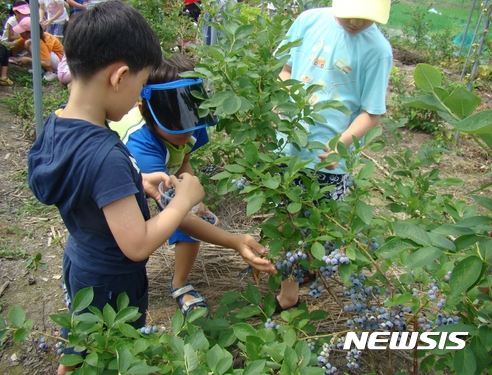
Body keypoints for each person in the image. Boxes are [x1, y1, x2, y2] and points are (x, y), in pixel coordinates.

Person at [26, 2, 274, 374]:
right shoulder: (105, 153)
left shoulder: (58, 123)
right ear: (119, 76)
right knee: (113, 353)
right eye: (141, 86)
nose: (138, 98)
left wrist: (136, 182)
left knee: (85, 337)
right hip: (112, 282)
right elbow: (138, 244)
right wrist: (184, 200)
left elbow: (83, 182)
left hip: (80, 262)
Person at [112, 54, 277, 316]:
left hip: (159, 174)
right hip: (124, 179)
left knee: (191, 211)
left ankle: (179, 282)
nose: (187, 133)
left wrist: (195, 201)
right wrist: (233, 241)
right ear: (146, 112)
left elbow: (183, 159)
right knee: (153, 224)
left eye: (191, 124)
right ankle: (155, 286)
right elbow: (177, 215)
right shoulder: (141, 147)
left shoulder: (190, 124)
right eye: (177, 127)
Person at [274, 0, 392, 312]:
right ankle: (289, 296)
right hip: (289, 146)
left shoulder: (377, 50)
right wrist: (284, 99)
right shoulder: (309, 21)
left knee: (314, 223)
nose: (355, 21)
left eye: (365, 17)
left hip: (329, 158)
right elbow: (286, 70)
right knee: (288, 222)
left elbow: (372, 112)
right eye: (350, 12)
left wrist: (341, 144)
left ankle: (303, 272)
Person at [12, 16, 64, 81]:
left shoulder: (40, 41)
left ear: (28, 32)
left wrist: (28, 59)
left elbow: (47, 63)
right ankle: (41, 68)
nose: (20, 33)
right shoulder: (35, 36)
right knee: (28, 43)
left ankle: (51, 71)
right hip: (53, 57)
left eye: (22, 31)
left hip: (59, 61)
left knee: (34, 47)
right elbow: (15, 44)